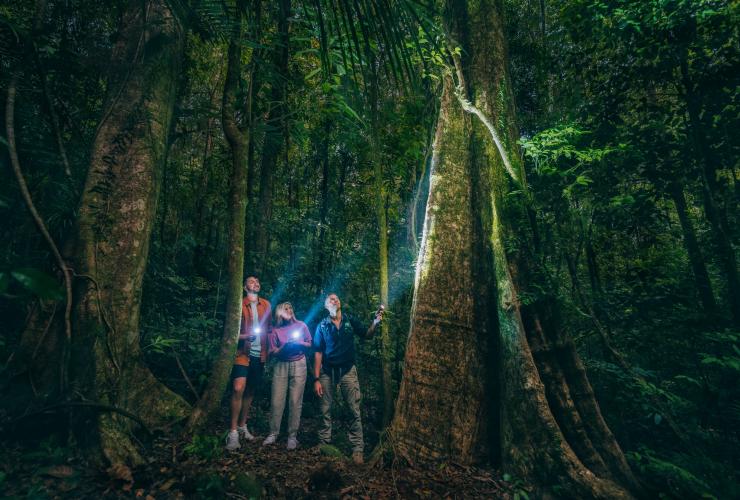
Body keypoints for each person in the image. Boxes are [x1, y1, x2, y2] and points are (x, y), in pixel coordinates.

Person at [312, 293, 383, 464]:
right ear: (325, 306)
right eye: (330, 299)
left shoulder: (350, 321)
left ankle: (357, 449)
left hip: (348, 370)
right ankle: (324, 444)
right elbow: (318, 352)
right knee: (324, 409)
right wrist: (316, 379)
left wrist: (375, 322)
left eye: (336, 298)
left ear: (340, 303)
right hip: (327, 372)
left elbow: (367, 335)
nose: (334, 300)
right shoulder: (322, 326)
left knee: (353, 409)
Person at [226, 276, 272, 451]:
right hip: (242, 353)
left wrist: (269, 350)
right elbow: (230, 332)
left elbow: (268, 329)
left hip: (259, 354)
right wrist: (245, 336)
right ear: (245, 287)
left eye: (258, 281)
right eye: (251, 281)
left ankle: (242, 426)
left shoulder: (266, 305)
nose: (256, 283)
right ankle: (232, 432)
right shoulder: (239, 304)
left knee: (250, 390)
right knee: (239, 387)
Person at [262, 302, 312, 450]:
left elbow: (309, 344)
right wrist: (285, 346)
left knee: (295, 401)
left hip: (299, 364)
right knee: (277, 400)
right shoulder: (275, 330)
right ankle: (273, 433)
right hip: (281, 365)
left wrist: (298, 342)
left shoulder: (302, 325)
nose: (289, 311)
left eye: (290, 308)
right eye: (285, 309)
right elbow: (272, 352)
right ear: (279, 313)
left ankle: (292, 436)